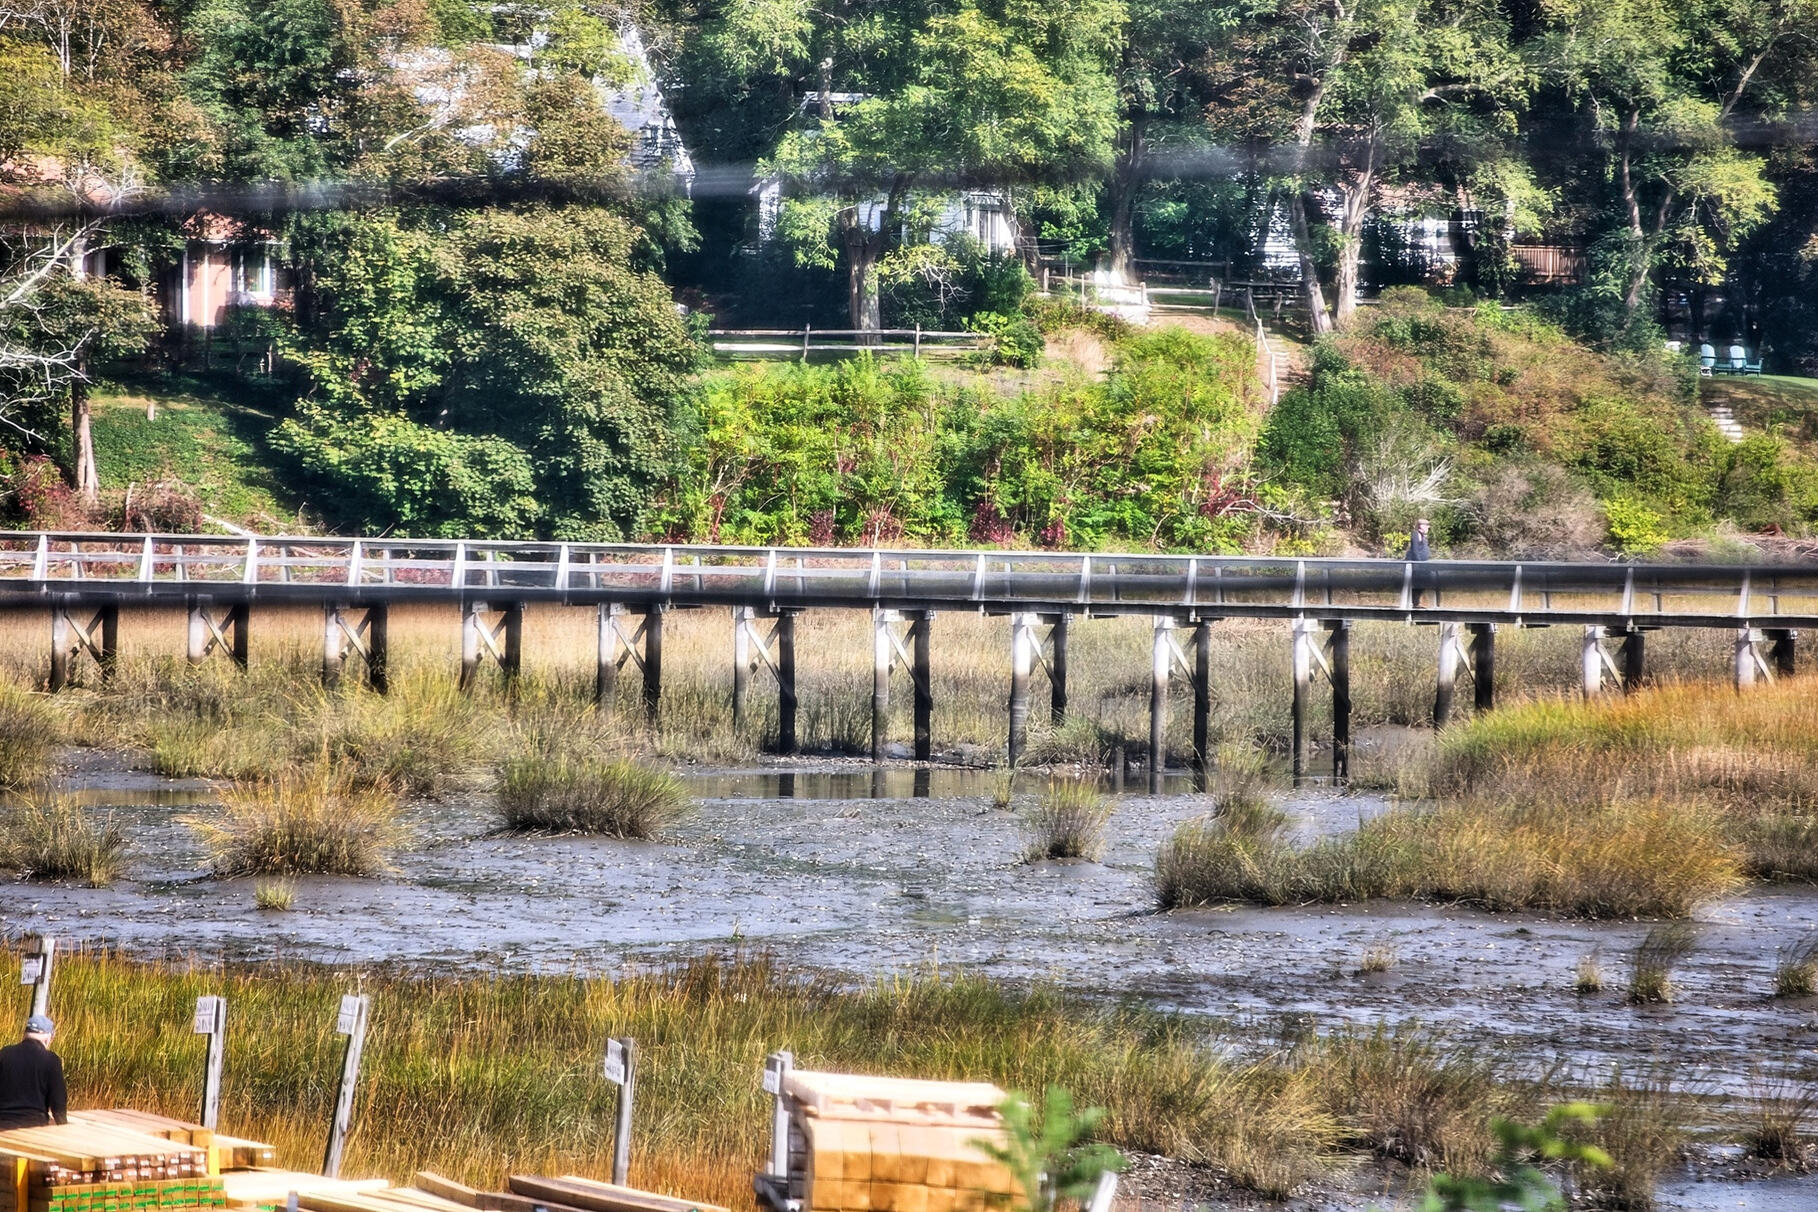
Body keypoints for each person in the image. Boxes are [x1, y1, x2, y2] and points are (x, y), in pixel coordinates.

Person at [0, 1015, 67, 1129]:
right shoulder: (51, 1060)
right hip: (33, 1126)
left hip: (2, 1123)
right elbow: (58, 1103)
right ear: (48, 1037)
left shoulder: (4, 1054)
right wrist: (63, 1126)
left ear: (25, 1034)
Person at [1405, 518, 1432, 606]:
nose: (1428, 527)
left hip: (1422, 565)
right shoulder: (1416, 534)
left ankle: (1416, 602)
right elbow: (1415, 550)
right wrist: (1419, 564)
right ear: (1421, 526)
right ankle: (1415, 603)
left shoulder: (1423, 536)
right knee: (1417, 583)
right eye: (1427, 525)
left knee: (1426, 581)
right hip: (1416, 566)